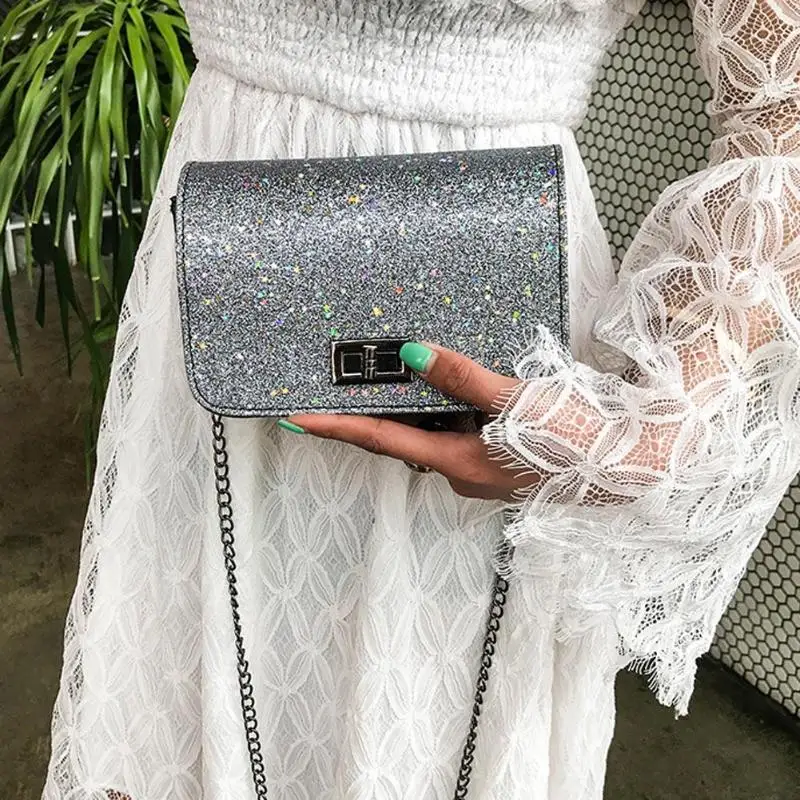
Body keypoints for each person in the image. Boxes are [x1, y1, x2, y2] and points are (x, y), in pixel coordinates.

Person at [43, 0, 800, 798]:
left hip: (495, 323)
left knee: (432, 719)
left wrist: (658, 421)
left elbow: (782, 117)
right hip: (225, 287)